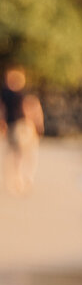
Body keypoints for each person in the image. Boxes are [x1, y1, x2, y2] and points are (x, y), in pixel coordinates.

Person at [1, 65, 43, 196]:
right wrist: (37, 124)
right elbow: (30, 108)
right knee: (26, 152)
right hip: (22, 125)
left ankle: (18, 177)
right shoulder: (21, 94)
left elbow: (2, 110)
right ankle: (24, 176)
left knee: (16, 153)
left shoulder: (5, 93)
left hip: (14, 125)